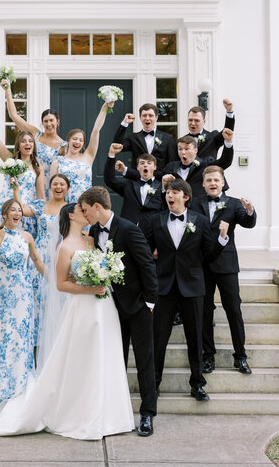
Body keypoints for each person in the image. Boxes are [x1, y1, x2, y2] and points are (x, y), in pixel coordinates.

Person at [0, 203, 134, 440]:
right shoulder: (64, 247)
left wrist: (106, 277)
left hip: (104, 306)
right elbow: (61, 284)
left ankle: (112, 415)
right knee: (82, 359)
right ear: (71, 216)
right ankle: (81, 415)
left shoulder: (92, 240)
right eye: (82, 211)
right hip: (82, 307)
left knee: (106, 355)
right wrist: (89, 288)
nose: (86, 214)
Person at [79, 186, 158, 437]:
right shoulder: (92, 231)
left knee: (145, 361)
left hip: (137, 306)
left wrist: (150, 302)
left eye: (85, 210)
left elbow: (146, 264)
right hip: (110, 308)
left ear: (97, 207)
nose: (84, 214)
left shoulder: (128, 229)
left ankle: (147, 414)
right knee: (116, 360)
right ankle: (117, 412)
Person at [141, 180, 229, 402]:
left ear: (186, 197)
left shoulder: (200, 221)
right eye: (168, 192)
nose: (169, 195)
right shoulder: (155, 220)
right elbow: (144, 254)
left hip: (192, 286)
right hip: (164, 286)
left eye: (174, 192)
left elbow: (208, 255)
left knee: (196, 336)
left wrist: (221, 239)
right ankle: (154, 384)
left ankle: (197, 384)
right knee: (158, 337)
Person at [0, 199, 45, 401]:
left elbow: (37, 261)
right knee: (4, 335)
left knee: (21, 336)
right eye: (13, 210)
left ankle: (21, 379)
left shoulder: (27, 236)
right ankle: (3, 380)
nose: (18, 213)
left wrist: (53, 280)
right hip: (3, 294)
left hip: (23, 293)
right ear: (4, 214)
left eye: (20, 210)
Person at [191, 166, 256, 375]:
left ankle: (241, 356)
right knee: (204, 311)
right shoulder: (195, 203)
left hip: (226, 266)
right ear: (203, 184)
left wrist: (249, 209)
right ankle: (208, 356)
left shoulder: (233, 203)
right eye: (208, 180)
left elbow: (248, 223)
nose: (212, 183)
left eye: (216, 180)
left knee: (233, 310)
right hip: (202, 265)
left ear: (222, 182)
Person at [12, 173, 70, 350]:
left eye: (62, 184)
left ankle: (54, 340)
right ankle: (34, 342)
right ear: (50, 187)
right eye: (55, 184)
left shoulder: (72, 208)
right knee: (37, 297)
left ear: (67, 188)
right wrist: (16, 189)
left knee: (56, 298)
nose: (58, 187)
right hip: (39, 256)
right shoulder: (41, 205)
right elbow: (20, 209)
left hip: (60, 256)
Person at [0, 97, 44, 233]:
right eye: (24, 141)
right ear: (18, 146)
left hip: (23, 211)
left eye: (30, 141)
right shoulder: (10, 160)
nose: (28, 144)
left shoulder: (38, 168)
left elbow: (41, 198)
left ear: (34, 145)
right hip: (5, 205)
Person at [1, 78, 66, 199]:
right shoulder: (35, 134)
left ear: (57, 121)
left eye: (51, 120)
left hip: (47, 188)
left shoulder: (63, 146)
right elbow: (14, 116)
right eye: (45, 121)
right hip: (28, 184)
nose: (48, 124)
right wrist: (8, 90)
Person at [50, 102, 114, 203]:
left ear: (83, 143)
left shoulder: (88, 156)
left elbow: (96, 131)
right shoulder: (57, 163)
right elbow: (52, 190)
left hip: (87, 204)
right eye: (74, 139)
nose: (77, 142)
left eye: (80, 140)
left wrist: (104, 109)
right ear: (68, 141)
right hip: (66, 204)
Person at [104, 143, 163, 225]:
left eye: (149, 163)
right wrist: (111, 155)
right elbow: (109, 180)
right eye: (142, 163)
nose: (145, 165)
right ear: (138, 167)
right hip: (129, 228)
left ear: (155, 167)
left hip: (152, 229)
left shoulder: (162, 187)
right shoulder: (129, 185)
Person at [112, 103, 178, 176]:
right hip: (137, 181)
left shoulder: (168, 138)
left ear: (156, 118)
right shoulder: (133, 138)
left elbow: (172, 163)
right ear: (140, 117)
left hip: (160, 181)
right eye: (144, 115)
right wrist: (125, 123)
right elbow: (116, 145)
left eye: (150, 115)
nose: (147, 118)